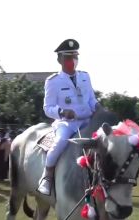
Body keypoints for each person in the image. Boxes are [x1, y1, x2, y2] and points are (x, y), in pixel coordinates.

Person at [37, 39, 100, 195]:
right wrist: (62, 112)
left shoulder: (85, 76)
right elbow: (47, 108)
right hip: (67, 123)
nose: (73, 60)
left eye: (75, 56)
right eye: (68, 57)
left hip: (87, 120)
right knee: (59, 143)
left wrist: (99, 108)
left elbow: (92, 100)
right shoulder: (53, 81)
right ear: (60, 60)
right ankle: (47, 177)